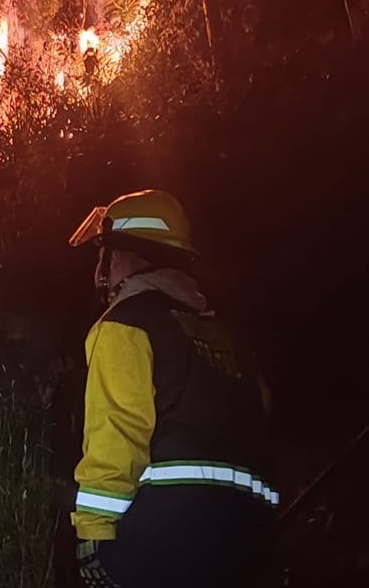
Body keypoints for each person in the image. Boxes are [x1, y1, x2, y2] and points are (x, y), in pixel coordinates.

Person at [66, 189, 279, 588]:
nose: (99, 270)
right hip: (251, 540)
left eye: (102, 254)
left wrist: (94, 534)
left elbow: (117, 433)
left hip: (165, 537)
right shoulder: (227, 335)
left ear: (121, 255)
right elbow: (261, 414)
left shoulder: (125, 325)